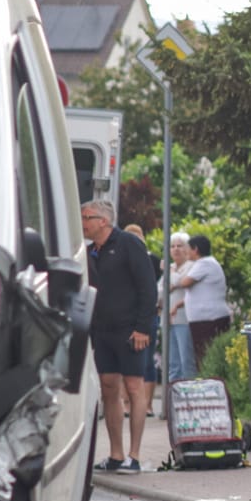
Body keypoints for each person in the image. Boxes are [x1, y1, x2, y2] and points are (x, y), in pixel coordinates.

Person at [81, 200, 156, 472]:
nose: (83, 222)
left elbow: (148, 287)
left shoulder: (128, 244)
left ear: (104, 221)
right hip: (103, 331)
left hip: (130, 330)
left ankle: (134, 456)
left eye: (88, 217)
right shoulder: (89, 252)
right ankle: (115, 453)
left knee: (134, 388)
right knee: (108, 387)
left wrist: (143, 328)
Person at [121, 224, 163, 422]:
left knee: (146, 361)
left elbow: (158, 289)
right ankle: (126, 403)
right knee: (122, 362)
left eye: (137, 237)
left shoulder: (152, 260)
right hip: (124, 317)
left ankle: (146, 404)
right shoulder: (118, 258)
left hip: (147, 317)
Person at [176, 233, 232, 366]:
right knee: (204, 358)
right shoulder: (206, 263)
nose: (186, 252)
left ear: (195, 249)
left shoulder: (204, 263)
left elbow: (184, 282)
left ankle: (212, 384)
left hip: (209, 319)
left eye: (188, 248)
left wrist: (170, 271)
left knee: (206, 359)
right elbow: (201, 292)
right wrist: (178, 305)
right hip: (206, 319)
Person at [165, 231, 196, 384]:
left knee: (186, 362)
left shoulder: (192, 266)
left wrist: (170, 275)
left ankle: (190, 397)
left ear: (187, 249)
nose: (176, 249)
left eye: (180, 246)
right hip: (168, 320)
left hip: (184, 319)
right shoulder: (169, 267)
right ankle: (172, 399)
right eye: (172, 246)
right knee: (172, 364)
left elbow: (181, 283)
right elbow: (160, 291)